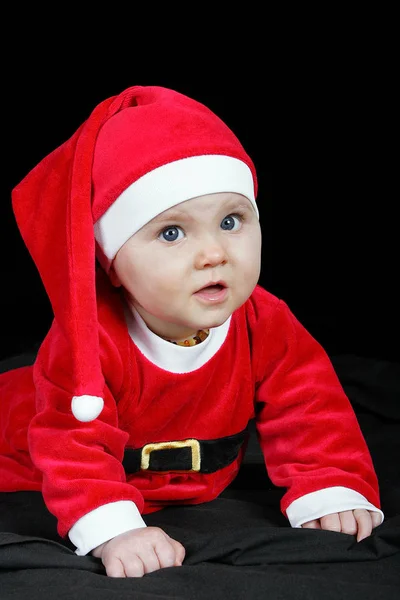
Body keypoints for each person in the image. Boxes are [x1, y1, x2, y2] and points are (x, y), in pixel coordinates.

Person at [0, 85, 383, 578]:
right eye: (172, 233)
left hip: (190, 482)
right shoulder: (89, 341)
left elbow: (310, 408)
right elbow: (70, 448)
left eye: (231, 220)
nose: (214, 254)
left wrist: (330, 484)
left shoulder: (265, 322)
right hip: (23, 451)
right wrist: (114, 528)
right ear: (112, 264)